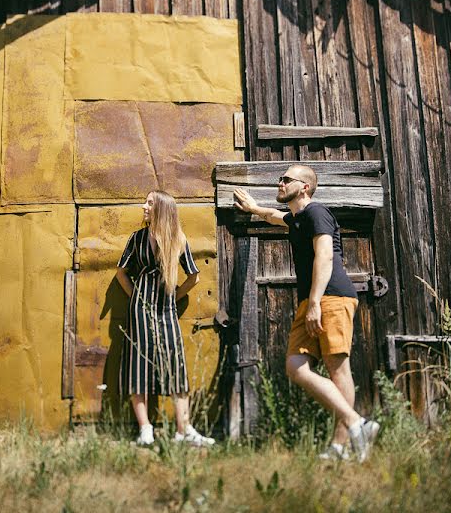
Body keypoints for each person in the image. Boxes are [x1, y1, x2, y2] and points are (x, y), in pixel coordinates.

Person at [233, 165, 380, 462]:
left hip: (331, 297)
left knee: (338, 369)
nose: (280, 181)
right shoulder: (298, 218)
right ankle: (356, 424)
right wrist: (253, 208)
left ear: (304, 187)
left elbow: (325, 255)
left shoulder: (317, 212)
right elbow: (276, 217)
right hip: (312, 300)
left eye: (286, 179)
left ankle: (340, 446)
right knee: (296, 367)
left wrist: (314, 302)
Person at [115, 190, 215, 447]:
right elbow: (121, 273)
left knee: (175, 366)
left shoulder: (178, 240)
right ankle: (145, 429)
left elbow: (194, 277)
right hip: (140, 309)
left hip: (167, 311)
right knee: (138, 365)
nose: (144, 206)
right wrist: (136, 295)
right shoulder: (137, 239)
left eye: (149, 203)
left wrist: (176, 296)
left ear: (161, 209)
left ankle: (184, 429)